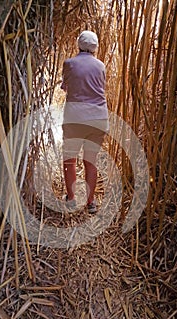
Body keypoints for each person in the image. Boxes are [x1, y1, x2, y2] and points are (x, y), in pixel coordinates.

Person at [61, 30, 109, 213]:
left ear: (78, 44)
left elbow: (65, 86)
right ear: (95, 47)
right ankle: (90, 203)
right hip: (98, 118)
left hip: (74, 117)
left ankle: (71, 199)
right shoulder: (101, 66)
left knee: (69, 160)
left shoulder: (69, 64)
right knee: (91, 160)